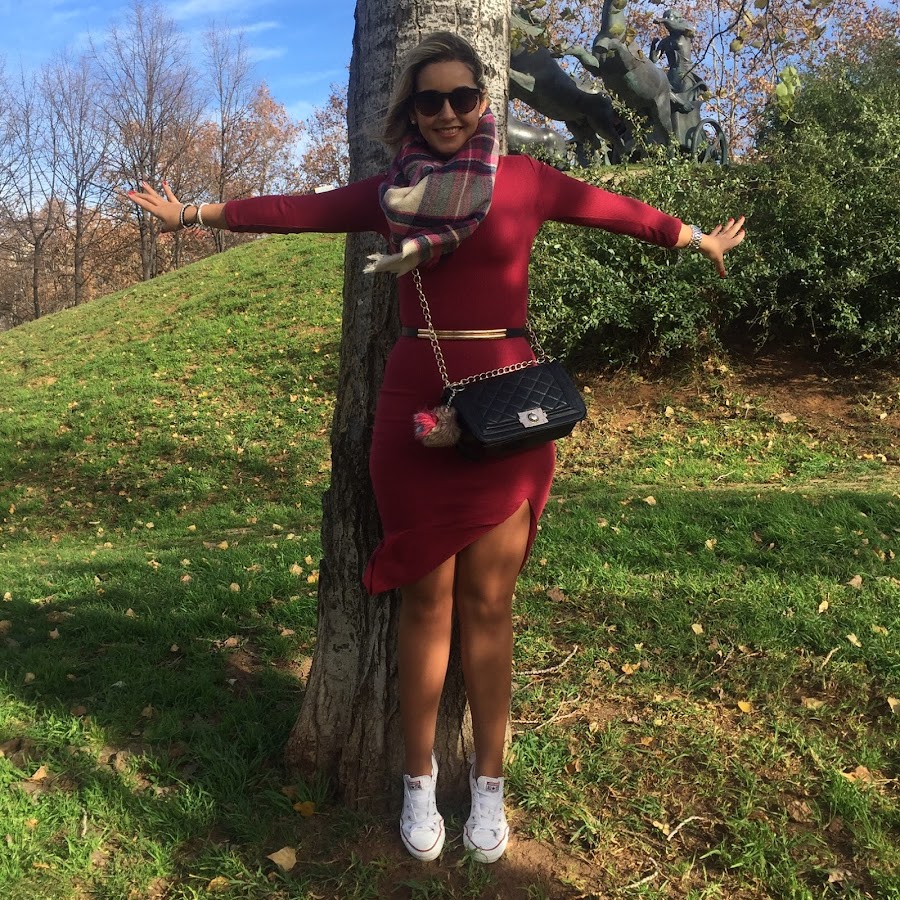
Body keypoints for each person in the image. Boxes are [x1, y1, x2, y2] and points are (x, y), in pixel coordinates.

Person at [128, 31, 745, 865]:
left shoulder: (525, 180)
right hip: (418, 404)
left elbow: (615, 210)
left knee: (490, 605)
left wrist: (695, 238)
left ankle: (489, 784)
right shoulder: (395, 195)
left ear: (484, 101)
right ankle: (417, 780)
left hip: (509, 410)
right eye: (431, 100)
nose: (448, 113)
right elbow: (301, 209)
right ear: (411, 111)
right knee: (426, 602)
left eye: (462, 97)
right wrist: (193, 214)